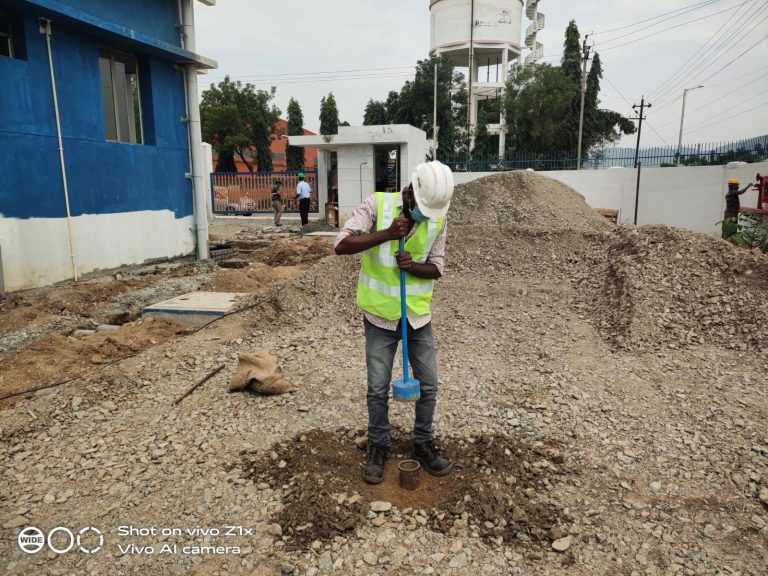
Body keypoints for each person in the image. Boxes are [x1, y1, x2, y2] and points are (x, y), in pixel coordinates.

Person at [334, 161, 455, 484]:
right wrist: (387, 234)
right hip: (379, 318)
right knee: (377, 387)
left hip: (417, 317)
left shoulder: (439, 217)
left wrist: (413, 266)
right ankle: (378, 446)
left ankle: (422, 442)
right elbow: (341, 245)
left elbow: (437, 268)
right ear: (411, 192)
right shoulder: (377, 205)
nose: (426, 216)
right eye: (422, 209)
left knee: (429, 384)